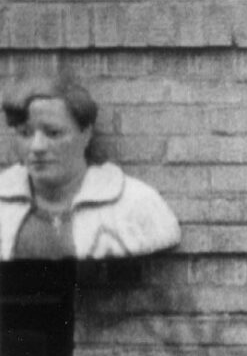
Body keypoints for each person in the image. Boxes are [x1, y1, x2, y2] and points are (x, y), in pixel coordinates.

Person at [1, 78, 180, 261]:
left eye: (53, 133)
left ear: (86, 134)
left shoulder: (135, 204)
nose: (37, 147)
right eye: (25, 133)